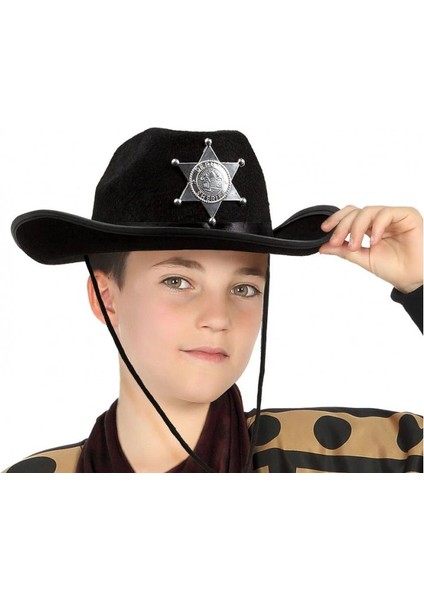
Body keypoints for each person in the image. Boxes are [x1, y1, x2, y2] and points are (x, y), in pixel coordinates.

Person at [3, 128, 423, 473]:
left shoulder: (347, 458)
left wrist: (420, 284)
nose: (218, 318)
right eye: (178, 281)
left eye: (244, 289)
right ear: (106, 298)